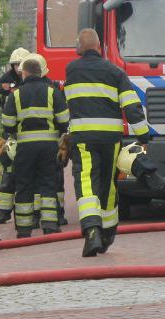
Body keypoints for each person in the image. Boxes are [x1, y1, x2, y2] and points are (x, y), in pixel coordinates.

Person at [64, 28, 151, 257]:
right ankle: (108, 233)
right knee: (108, 185)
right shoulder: (115, 71)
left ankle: (92, 231)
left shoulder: (71, 70)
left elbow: (68, 104)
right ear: (99, 46)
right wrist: (143, 136)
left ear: (80, 47)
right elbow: (131, 106)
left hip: (83, 138)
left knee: (87, 182)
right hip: (110, 139)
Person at [1, 56, 70, 238]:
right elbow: (64, 120)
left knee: (24, 184)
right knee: (48, 183)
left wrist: (18, 129)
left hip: (25, 147)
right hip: (49, 147)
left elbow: (7, 124)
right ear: (40, 73)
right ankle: (50, 225)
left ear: (24, 73)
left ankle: (24, 229)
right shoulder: (52, 92)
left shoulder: (16, 94)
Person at [0, 47, 32, 224]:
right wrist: (0, 88)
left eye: (21, 65)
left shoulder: (33, 78)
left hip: (29, 131)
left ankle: (33, 213)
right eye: (15, 65)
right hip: (10, 133)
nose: (18, 69)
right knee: (8, 172)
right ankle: (3, 212)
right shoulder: (6, 79)